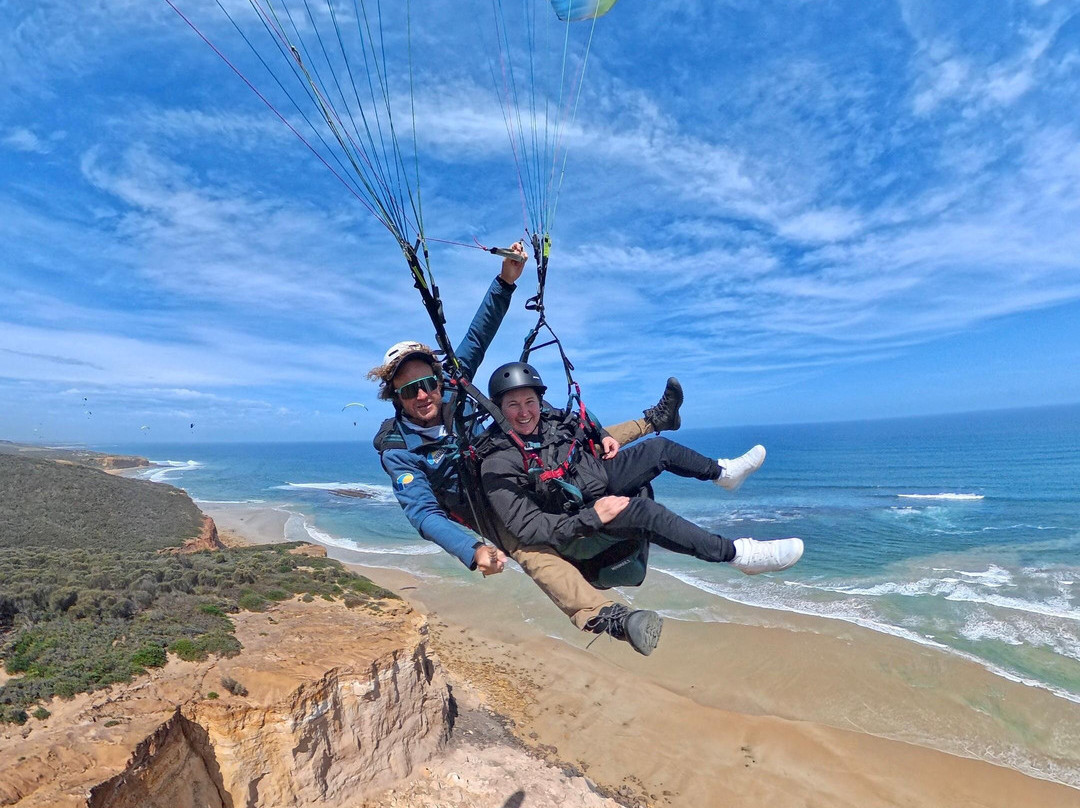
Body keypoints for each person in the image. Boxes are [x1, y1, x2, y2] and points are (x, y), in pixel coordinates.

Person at [368, 243, 686, 655]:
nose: (423, 395)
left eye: (428, 383)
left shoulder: (451, 387)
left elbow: (477, 337)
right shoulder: (399, 448)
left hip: (499, 454)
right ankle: (608, 616)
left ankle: (655, 421)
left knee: (569, 441)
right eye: (409, 390)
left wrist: (506, 281)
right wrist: (473, 549)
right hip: (484, 500)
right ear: (395, 397)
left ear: (438, 378)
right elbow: (423, 512)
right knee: (528, 547)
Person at [479, 361, 804, 654]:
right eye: (513, 405)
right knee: (644, 512)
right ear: (499, 409)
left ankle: (724, 473)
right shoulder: (498, 462)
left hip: (590, 480)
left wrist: (602, 435)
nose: (524, 412)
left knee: (658, 449)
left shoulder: (546, 419)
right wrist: (594, 516)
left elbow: (580, 427)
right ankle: (739, 555)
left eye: (529, 402)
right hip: (572, 521)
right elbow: (528, 529)